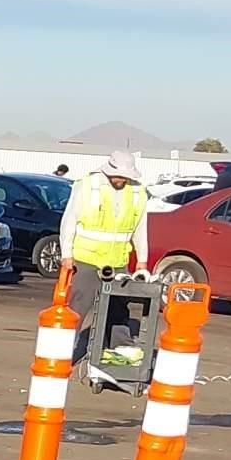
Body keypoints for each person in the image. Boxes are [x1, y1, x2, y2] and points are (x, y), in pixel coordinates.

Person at [59, 150, 152, 362]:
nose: (121, 179)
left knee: (118, 309)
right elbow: (69, 222)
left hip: (118, 262)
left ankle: (120, 353)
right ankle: (63, 352)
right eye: (118, 175)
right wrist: (67, 255)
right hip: (87, 260)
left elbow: (140, 228)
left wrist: (142, 261)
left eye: (125, 176)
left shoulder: (138, 193)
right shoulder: (87, 186)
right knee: (78, 308)